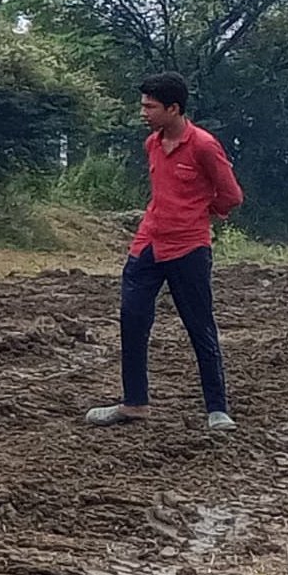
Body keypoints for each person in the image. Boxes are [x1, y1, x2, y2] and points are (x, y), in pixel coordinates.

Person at [87, 73, 247, 431]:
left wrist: (202, 211)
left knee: (199, 325)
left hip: (189, 247)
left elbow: (232, 196)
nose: (143, 112)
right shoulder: (152, 144)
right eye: (143, 105)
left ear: (173, 108)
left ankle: (217, 409)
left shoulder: (204, 146)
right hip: (147, 245)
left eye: (150, 106)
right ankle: (134, 404)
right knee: (132, 319)